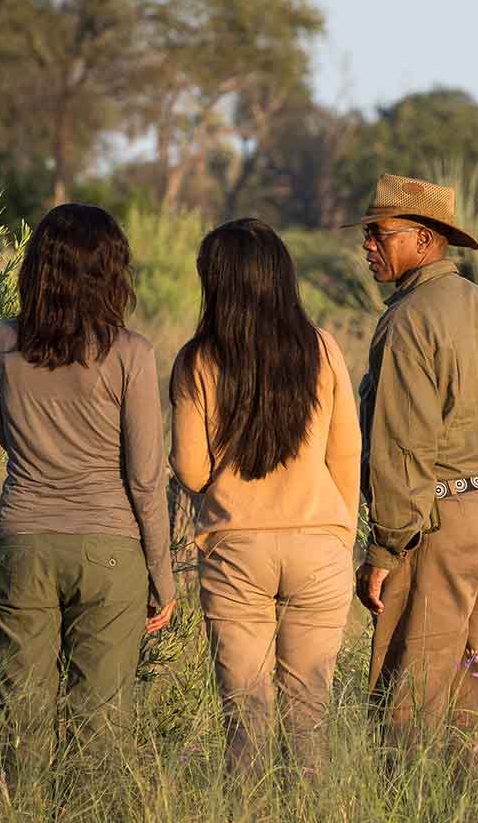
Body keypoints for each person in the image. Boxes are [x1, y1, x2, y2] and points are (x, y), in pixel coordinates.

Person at [350, 174, 478, 763]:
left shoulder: (407, 321)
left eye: (377, 233)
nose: (367, 245)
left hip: (445, 521)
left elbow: (402, 448)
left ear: (423, 238)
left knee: (408, 699)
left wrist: (385, 550)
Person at [0, 203, 176, 775]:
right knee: (102, 722)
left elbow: (7, 436)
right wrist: (162, 576)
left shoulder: (1, 343)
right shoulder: (131, 353)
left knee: (20, 717)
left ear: (37, 267)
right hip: (109, 550)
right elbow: (144, 478)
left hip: (22, 539)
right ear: (110, 271)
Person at [169, 219, 361, 775]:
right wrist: (340, 533)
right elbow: (346, 454)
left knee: (245, 724)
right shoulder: (321, 348)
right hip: (321, 549)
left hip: (237, 551)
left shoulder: (197, 359)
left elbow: (193, 471)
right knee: (309, 722)